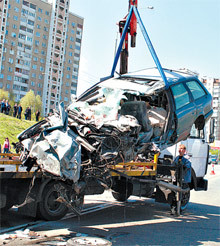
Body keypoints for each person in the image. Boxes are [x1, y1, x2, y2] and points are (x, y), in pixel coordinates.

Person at [170, 144, 191, 214]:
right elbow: (173, 165)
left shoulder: (187, 158)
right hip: (177, 178)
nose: (180, 150)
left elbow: (187, 166)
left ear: (184, 150)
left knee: (180, 193)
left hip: (183, 179)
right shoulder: (177, 157)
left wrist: (182, 166)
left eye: (182, 149)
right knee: (174, 193)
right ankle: (173, 208)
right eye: (179, 149)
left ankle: (179, 208)